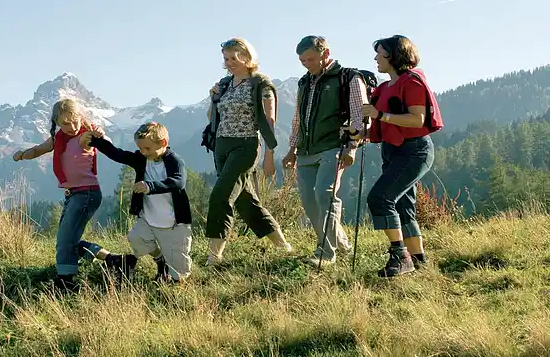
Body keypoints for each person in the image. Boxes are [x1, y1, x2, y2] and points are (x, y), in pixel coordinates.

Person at [12, 98, 128, 291]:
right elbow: (39, 150)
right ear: (56, 122)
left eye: (75, 120)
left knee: (65, 240)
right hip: (74, 194)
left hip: (87, 194)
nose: (72, 126)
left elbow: (99, 141)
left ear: (80, 117)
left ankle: (65, 282)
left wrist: (98, 135)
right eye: (65, 123)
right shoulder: (59, 139)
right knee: (67, 239)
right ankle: (115, 260)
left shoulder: (85, 136)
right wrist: (22, 154)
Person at [359, 35, 444, 277]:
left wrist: (380, 115)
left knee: (380, 198)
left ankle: (400, 255)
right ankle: (419, 263)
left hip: (414, 150)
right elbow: (382, 122)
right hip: (393, 150)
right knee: (404, 205)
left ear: (394, 56)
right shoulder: (385, 88)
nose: (376, 57)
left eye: (380, 53)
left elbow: (417, 120)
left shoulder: (412, 82)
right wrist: (359, 131)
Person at [281, 35, 369, 266]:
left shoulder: (348, 77)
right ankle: (338, 241)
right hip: (306, 150)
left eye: (310, 59)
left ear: (326, 54)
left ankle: (326, 253)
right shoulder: (303, 82)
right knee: (309, 200)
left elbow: (359, 115)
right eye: (302, 60)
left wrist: (352, 147)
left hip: (334, 145)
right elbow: (298, 119)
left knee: (325, 194)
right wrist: (292, 148)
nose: (306, 64)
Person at [203, 37, 292, 266]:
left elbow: (270, 120)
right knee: (245, 201)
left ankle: (215, 256)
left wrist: (270, 155)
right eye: (226, 59)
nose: (229, 63)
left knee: (221, 195)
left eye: (234, 58)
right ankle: (283, 245)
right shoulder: (224, 84)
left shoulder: (260, 83)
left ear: (247, 56)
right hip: (221, 145)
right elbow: (212, 118)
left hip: (246, 145)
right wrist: (212, 99)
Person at [83, 121, 193, 283]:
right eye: (140, 148)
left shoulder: (174, 161)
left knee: (179, 270)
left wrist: (150, 186)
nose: (143, 152)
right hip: (148, 217)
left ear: (163, 143)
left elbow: (178, 182)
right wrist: (96, 141)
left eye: (147, 148)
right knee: (137, 238)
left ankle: (176, 286)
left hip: (174, 223)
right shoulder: (142, 159)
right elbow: (118, 154)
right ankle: (160, 259)